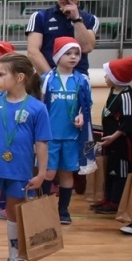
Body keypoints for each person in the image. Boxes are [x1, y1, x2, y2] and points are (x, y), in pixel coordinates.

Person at [0, 54, 52, 261]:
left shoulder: (37, 108)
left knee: (15, 213)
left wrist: (42, 173)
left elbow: (42, 143)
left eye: (0, 74)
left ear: (19, 77)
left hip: (19, 170)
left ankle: (15, 257)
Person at [41, 38, 93, 226]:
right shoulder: (47, 79)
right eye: (68, 53)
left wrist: (81, 115)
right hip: (50, 136)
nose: (73, 57)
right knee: (48, 172)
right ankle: (44, 208)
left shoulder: (82, 80)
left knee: (66, 173)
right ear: (57, 56)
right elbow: (39, 105)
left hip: (72, 136)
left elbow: (86, 105)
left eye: (76, 54)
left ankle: (63, 210)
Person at [26, 0, 97, 77]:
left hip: (78, 79)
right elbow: (33, 52)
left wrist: (76, 19)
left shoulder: (90, 19)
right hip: (48, 76)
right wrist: (52, 78)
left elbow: (86, 47)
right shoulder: (40, 16)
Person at [95, 58, 132, 219]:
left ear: (117, 77)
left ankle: (116, 201)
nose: (105, 78)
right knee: (110, 170)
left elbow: (129, 121)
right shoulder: (114, 91)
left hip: (121, 143)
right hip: (110, 140)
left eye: (107, 75)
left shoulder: (126, 96)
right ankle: (108, 198)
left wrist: (114, 136)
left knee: (120, 171)